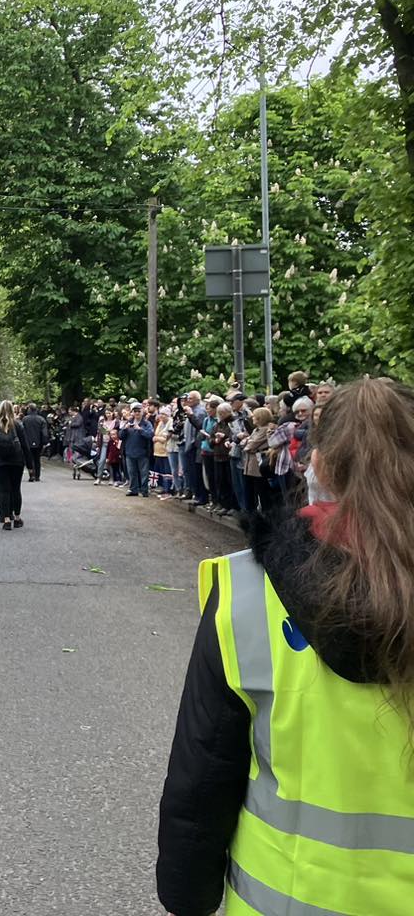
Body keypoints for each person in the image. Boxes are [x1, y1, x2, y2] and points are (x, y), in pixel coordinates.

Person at [158, 378, 414, 916]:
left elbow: (206, 765)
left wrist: (188, 891)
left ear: (317, 466)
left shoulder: (248, 590)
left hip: (283, 895)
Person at [0, 400, 30, 530]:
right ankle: (17, 518)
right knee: (16, 490)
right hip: (16, 462)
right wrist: (30, 465)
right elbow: (24, 446)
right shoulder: (17, 425)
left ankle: (6, 519)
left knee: (4, 490)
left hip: (0, 462)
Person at [122, 404, 154, 497]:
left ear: (142, 412)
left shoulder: (146, 423)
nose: (136, 413)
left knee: (144, 473)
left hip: (142, 452)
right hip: (129, 452)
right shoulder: (128, 422)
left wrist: (140, 429)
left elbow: (150, 435)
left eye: (138, 411)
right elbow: (120, 436)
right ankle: (133, 489)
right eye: (135, 411)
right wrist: (125, 429)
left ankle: (144, 490)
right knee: (132, 473)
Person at [21, 403, 49, 482]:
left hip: (27, 442)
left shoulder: (25, 419)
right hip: (38, 442)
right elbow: (44, 432)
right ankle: (37, 476)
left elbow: (22, 431)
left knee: (29, 459)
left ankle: (31, 474)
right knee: (37, 459)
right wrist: (45, 442)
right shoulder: (41, 419)